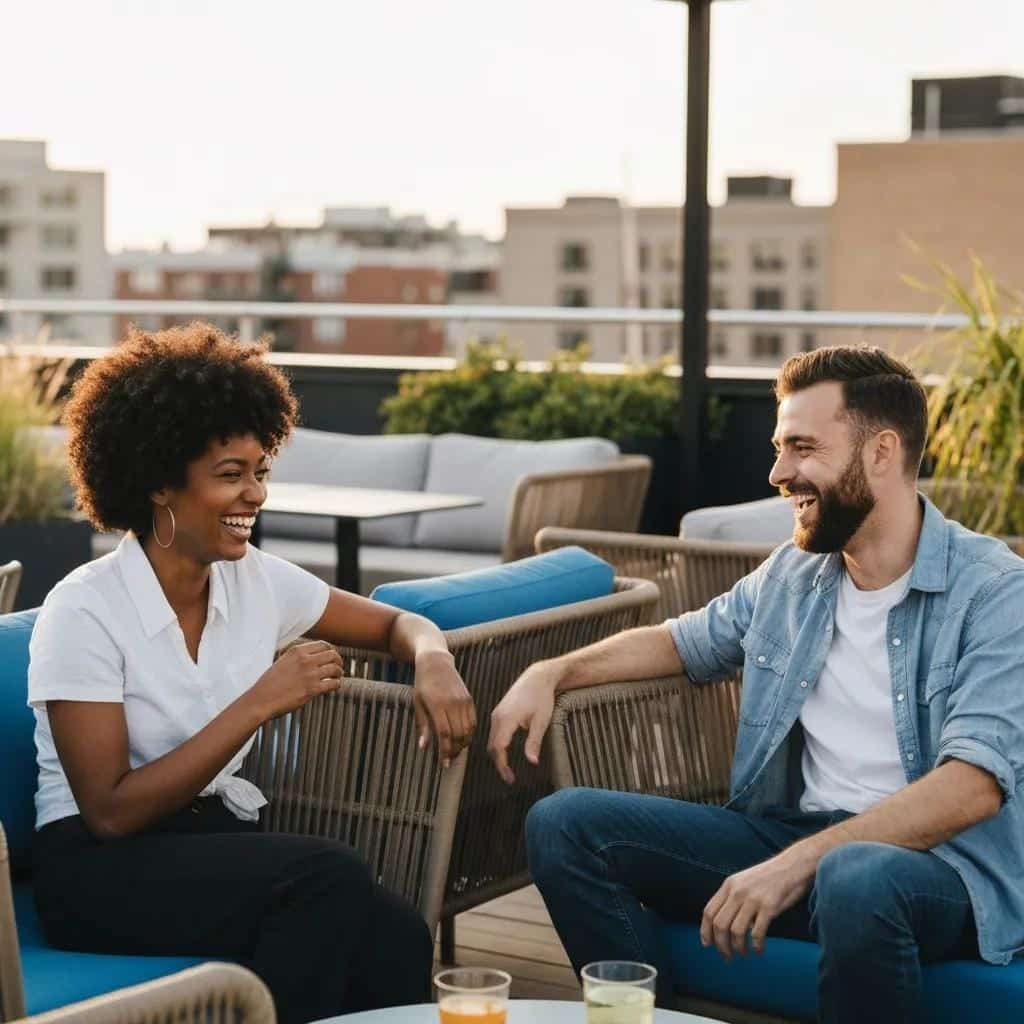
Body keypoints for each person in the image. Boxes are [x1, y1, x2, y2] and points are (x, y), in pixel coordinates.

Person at [488, 346, 1024, 1023]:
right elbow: (683, 641)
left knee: (855, 875)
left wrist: (800, 863)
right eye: (779, 448)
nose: (778, 473)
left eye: (802, 448)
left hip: (941, 873)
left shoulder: (995, 591)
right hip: (793, 838)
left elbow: (974, 782)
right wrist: (553, 670)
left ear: (882, 452)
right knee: (564, 824)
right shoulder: (793, 576)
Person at [28, 323, 477, 1024]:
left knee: (399, 933)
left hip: (204, 837)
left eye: (261, 471)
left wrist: (436, 660)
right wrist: (260, 701)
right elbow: (110, 812)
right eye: (230, 476)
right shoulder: (83, 610)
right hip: (95, 869)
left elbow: (395, 624)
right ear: (158, 484)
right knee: (327, 880)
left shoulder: (255, 583)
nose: (256, 496)